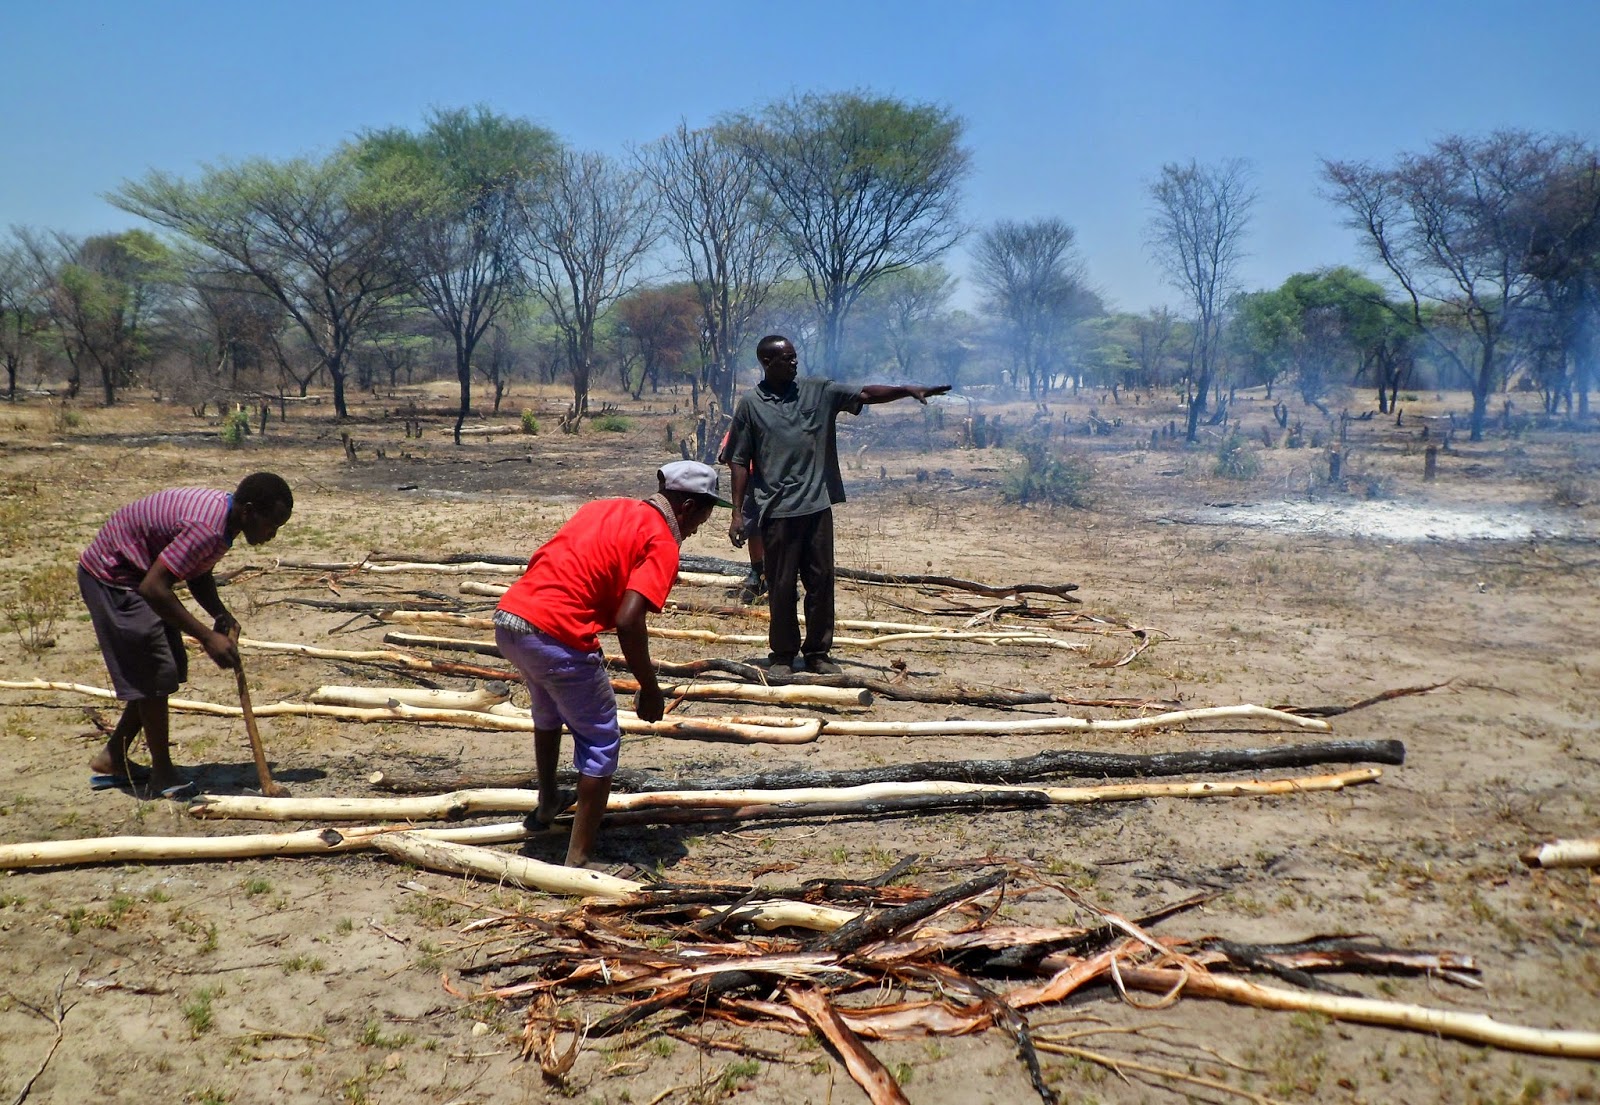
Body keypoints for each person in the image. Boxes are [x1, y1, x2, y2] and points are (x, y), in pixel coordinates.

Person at [493, 461, 729, 868]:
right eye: (701, 518)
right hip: (555, 633)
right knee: (601, 740)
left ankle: (548, 802)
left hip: (512, 621)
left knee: (548, 711)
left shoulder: (604, 507)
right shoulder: (661, 541)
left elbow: (551, 560)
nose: (696, 530)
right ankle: (579, 858)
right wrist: (650, 688)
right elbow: (629, 619)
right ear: (688, 507)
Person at [725, 335, 950, 677]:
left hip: (816, 507)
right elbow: (739, 461)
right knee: (781, 587)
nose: (795, 362)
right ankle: (783, 655)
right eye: (787, 358)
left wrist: (906, 389)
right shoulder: (751, 404)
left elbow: (866, 394)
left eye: (795, 356)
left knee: (820, 582)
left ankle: (818, 653)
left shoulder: (818, 391)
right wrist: (737, 513)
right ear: (767, 363)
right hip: (777, 510)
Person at [79, 472, 295, 798]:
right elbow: (154, 588)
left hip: (140, 576)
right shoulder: (208, 528)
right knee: (155, 671)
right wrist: (207, 637)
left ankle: (114, 756)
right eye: (271, 525)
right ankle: (163, 774)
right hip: (114, 576)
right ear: (249, 511)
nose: (272, 535)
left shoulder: (225, 522)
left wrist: (220, 615)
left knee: (169, 667)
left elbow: (196, 572)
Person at [716, 429, 765, 603]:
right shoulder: (740, 426)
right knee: (754, 529)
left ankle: (776, 575)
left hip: (774, 479)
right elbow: (728, 456)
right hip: (749, 479)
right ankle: (758, 572)